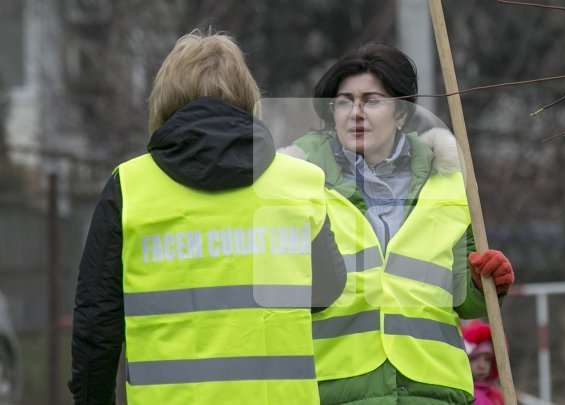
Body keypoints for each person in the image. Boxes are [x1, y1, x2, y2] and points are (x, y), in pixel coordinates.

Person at [68, 29, 346, 405]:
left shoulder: (130, 188)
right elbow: (326, 293)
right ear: (249, 98)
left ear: (164, 101)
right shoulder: (300, 183)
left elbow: (95, 329)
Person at [279, 43, 515, 404]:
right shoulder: (296, 183)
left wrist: (485, 284)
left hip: (433, 390)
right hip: (340, 390)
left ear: (402, 114)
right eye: (344, 102)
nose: (355, 113)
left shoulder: (448, 180)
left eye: (371, 100)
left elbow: (460, 299)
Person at [462, 320, 504, 405]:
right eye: (475, 358)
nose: (482, 365)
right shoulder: (464, 396)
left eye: (487, 359)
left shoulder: (497, 397)